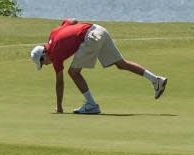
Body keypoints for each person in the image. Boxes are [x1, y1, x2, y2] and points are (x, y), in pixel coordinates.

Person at [30, 19, 168, 115]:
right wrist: (71, 35)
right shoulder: (54, 33)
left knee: (73, 72)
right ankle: (156, 80)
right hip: (98, 29)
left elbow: (60, 83)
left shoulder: (55, 53)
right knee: (121, 64)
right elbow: (72, 20)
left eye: (43, 62)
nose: (46, 65)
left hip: (90, 38)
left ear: (44, 54)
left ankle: (91, 105)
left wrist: (59, 108)